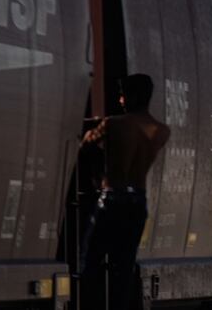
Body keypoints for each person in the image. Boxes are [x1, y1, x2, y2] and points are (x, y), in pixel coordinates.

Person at [79, 74, 171, 310]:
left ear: (131, 96)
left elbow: (86, 144)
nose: (120, 100)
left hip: (112, 198)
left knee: (90, 262)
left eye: (123, 94)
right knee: (124, 266)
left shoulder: (113, 124)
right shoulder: (161, 131)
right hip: (137, 202)